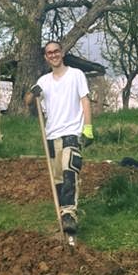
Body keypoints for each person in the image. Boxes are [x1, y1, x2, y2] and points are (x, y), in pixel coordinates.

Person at [30, 41, 93, 237]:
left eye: (56, 51)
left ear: (62, 53)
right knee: (57, 178)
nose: (53, 55)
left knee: (69, 170)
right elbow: (27, 100)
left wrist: (88, 127)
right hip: (51, 134)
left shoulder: (76, 75)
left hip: (72, 132)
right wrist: (33, 93)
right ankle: (62, 215)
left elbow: (84, 100)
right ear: (46, 57)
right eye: (49, 53)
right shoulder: (43, 81)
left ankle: (69, 214)